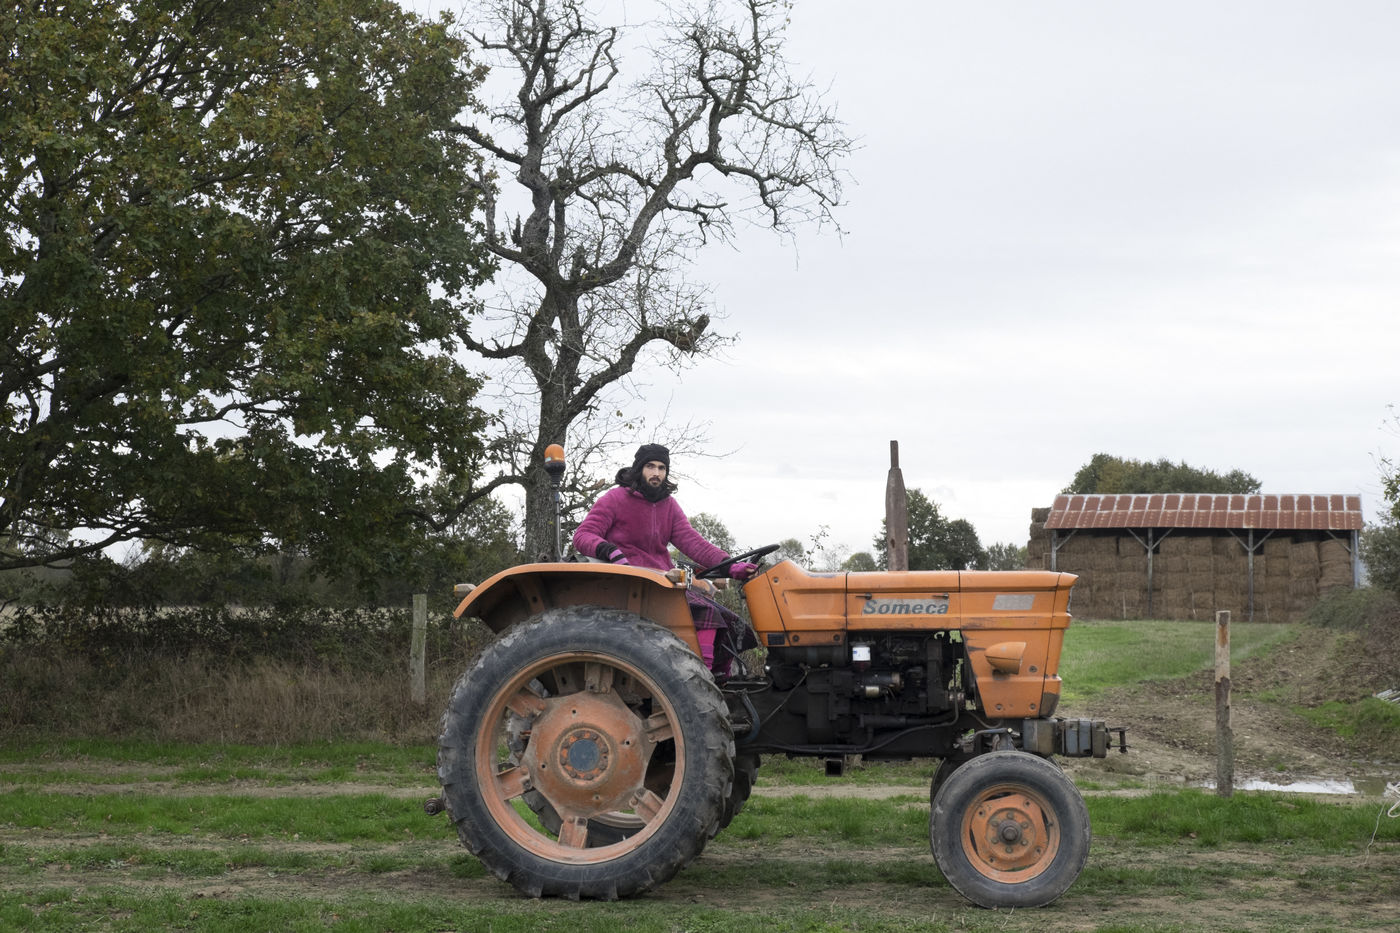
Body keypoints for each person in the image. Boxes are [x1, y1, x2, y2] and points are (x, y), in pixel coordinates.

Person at [572, 443, 758, 675]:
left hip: (663, 580)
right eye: (650, 466)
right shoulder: (616, 498)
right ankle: (698, 681)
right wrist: (611, 552)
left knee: (731, 624)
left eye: (662, 468)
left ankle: (719, 680)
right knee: (706, 615)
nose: (656, 473)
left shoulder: (668, 505)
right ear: (639, 468)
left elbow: (694, 543)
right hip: (631, 583)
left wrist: (731, 566)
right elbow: (583, 535)